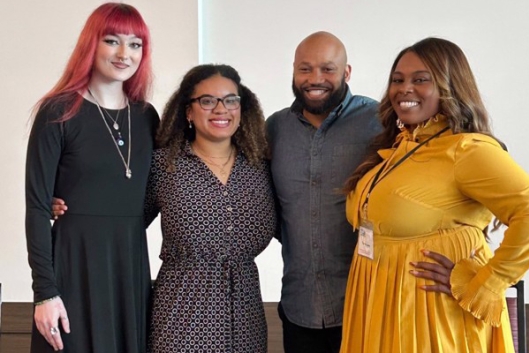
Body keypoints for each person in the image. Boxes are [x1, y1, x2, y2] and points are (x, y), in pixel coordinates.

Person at [340, 37, 529, 352]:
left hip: (430, 311)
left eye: (421, 79)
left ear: (449, 86)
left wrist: (487, 283)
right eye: (397, 80)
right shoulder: (401, 147)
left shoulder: (466, 150)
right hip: (379, 295)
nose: (405, 88)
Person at [25, 3, 158, 352]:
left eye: (135, 44)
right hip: (73, 265)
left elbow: (156, 193)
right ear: (91, 44)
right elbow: (38, 206)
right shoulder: (59, 111)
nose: (123, 54)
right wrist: (45, 294)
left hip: (129, 265)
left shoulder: (147, 118)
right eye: (112, 40)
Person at [144, 64, 277, 353]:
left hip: (246, 318)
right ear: (188, 111)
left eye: (231, 100)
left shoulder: (260, 168)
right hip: (182, 315)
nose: (221, 109)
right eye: (207, 101)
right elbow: (121, 223)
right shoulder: (162, 166)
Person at [266, 31, 381, 353]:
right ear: (293, 70)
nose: (315, 78)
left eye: (328, 69)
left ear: (346, 73)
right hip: (298, 305)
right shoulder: (274, 129)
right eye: (305, 69)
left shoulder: (380, 122)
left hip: (367, 304)